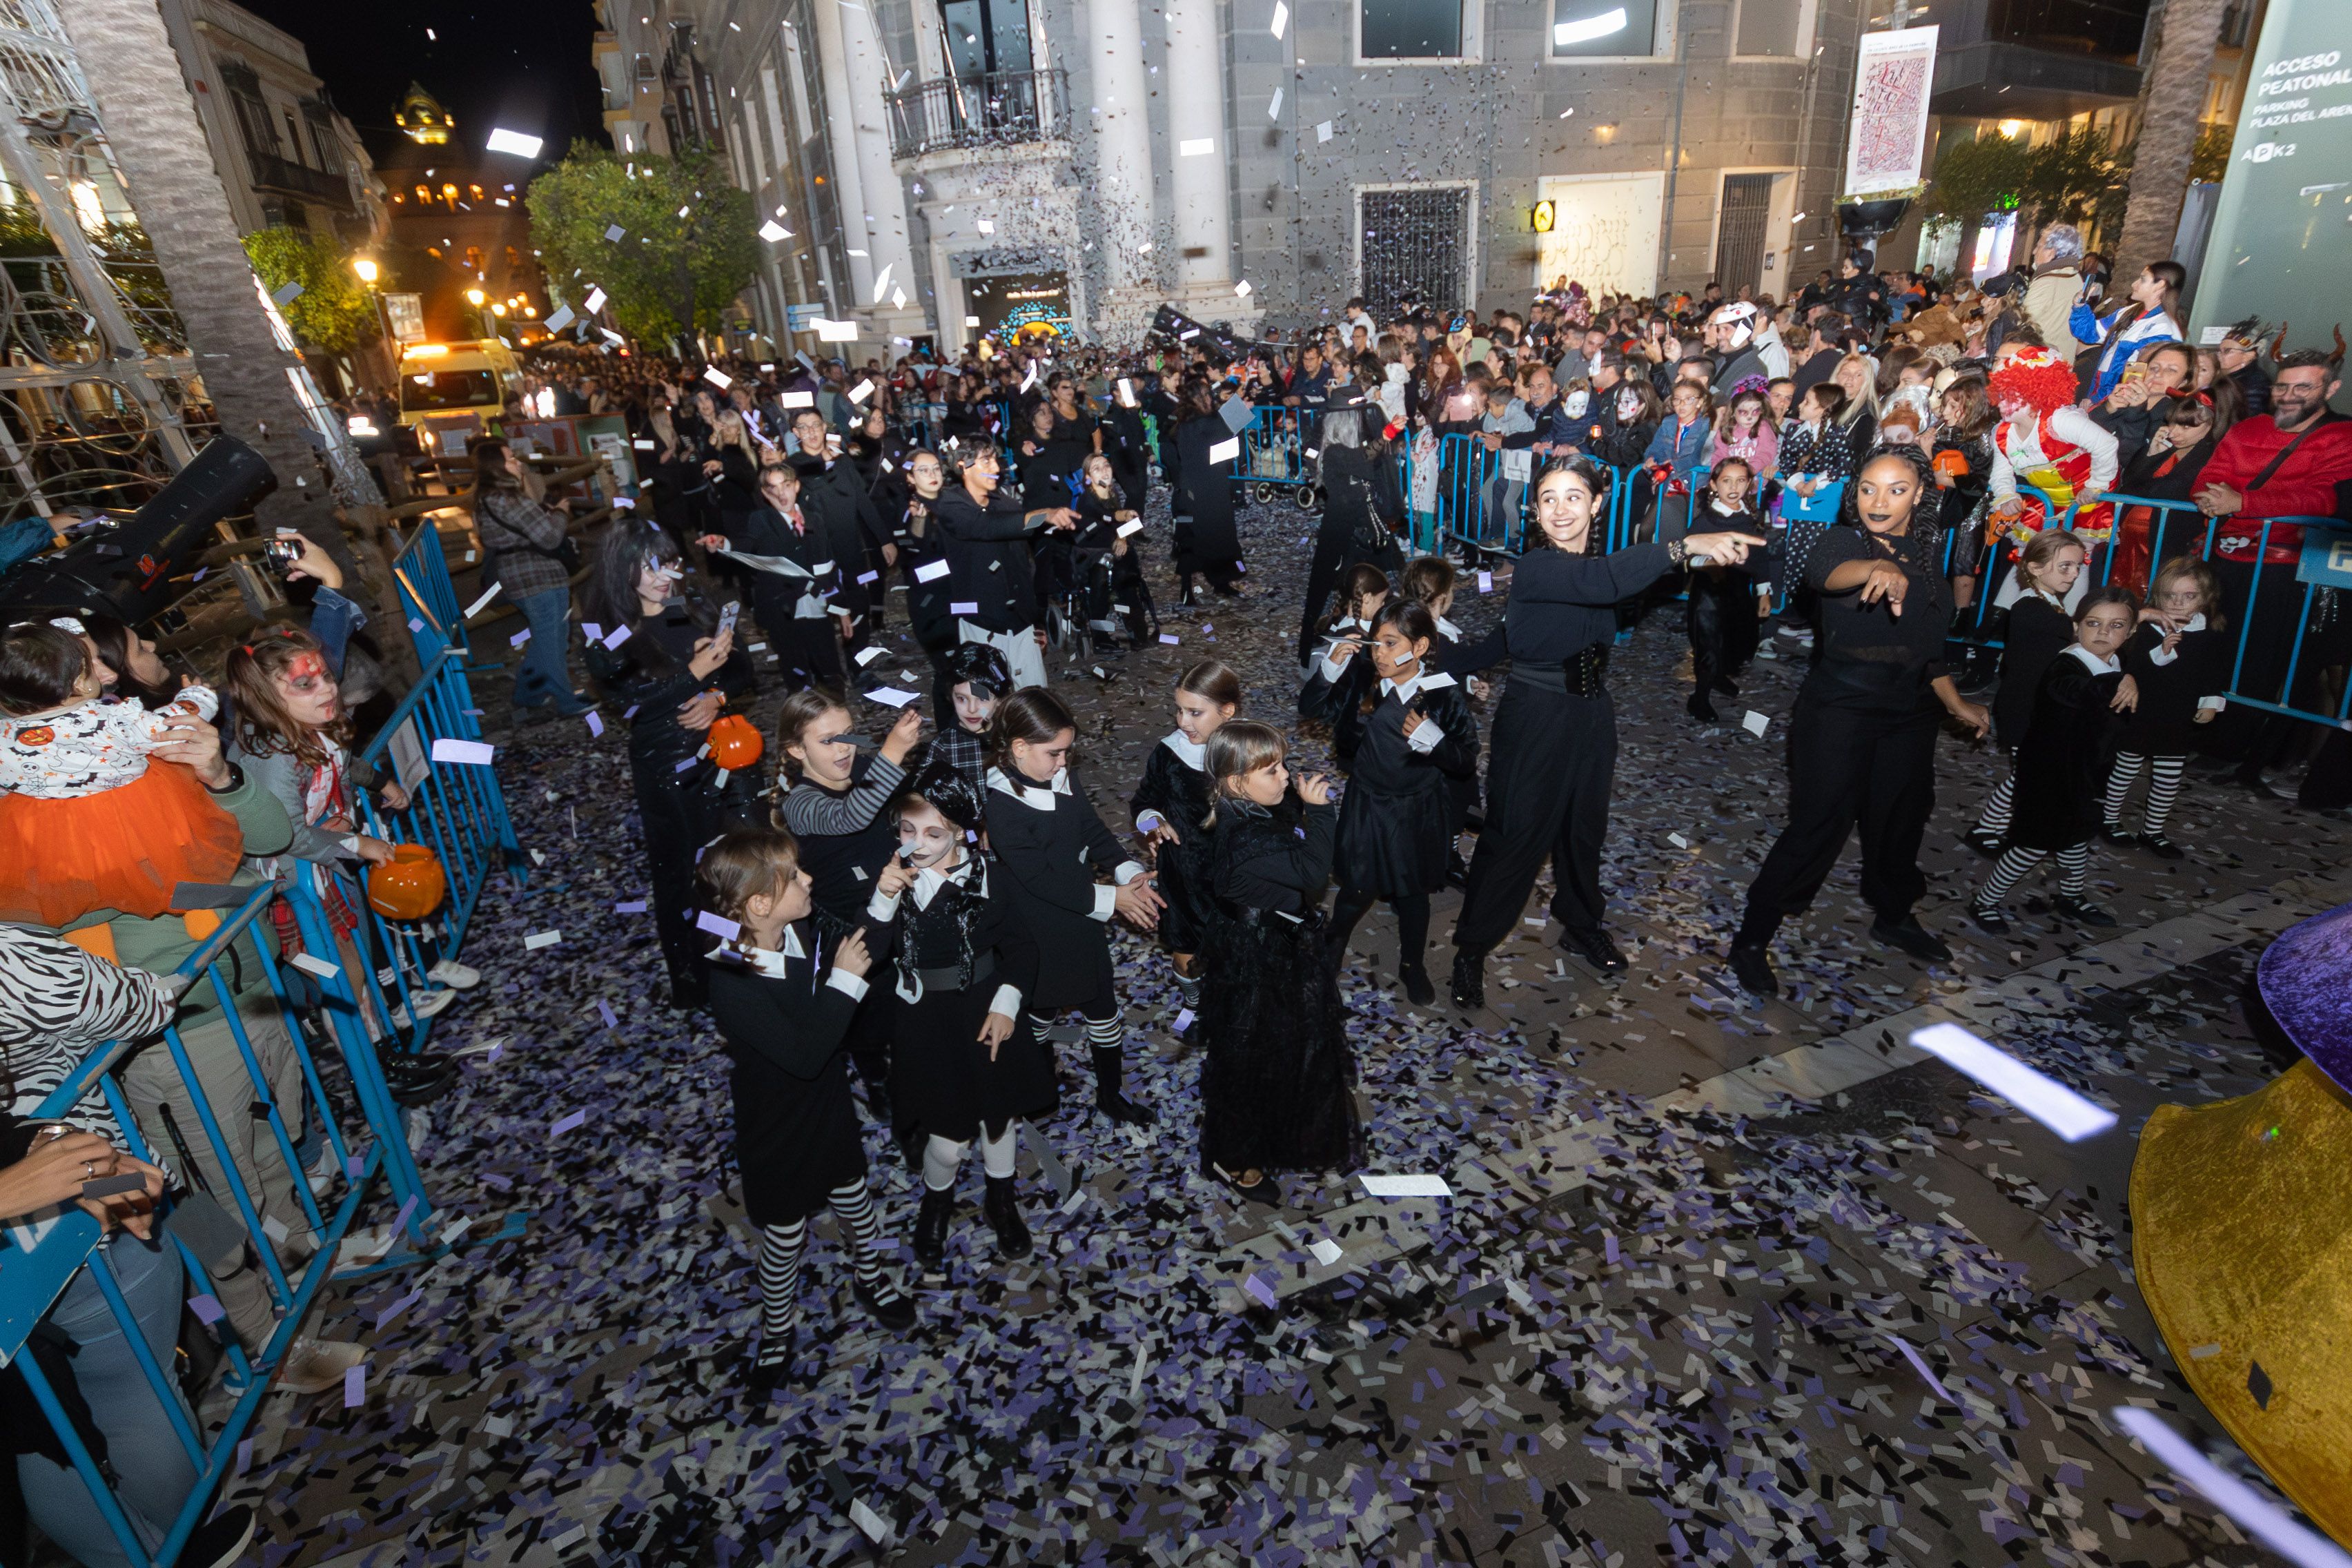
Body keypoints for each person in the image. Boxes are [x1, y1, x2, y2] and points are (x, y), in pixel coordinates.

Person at [1450, 458, 1764, 1006]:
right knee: (1514, 835)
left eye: (1574, 497)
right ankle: (1471, 949)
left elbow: (1516, 631)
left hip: (1593, 716)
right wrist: (1684, 544)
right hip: (1535, 717)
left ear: (1597, 505)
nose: (1560, 509)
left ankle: (1579, 922)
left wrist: (1459, 659)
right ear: (1536, 510)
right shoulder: (1536, 567)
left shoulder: (1589, 567)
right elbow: (1602, 583)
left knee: (1582, 830)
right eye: (1548, 498)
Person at [0, 928, 258, 1568]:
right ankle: (257, 1339)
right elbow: (139, 1002)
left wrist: (34, 1144)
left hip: (102, 1158)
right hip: (106, 1162)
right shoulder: (13, 947)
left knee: (46, 1426)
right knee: (111, 1394)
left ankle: (254, 1336)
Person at [1728, 451, 1992, 997]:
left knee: (1902, 821)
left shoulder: (1926, 559)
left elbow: (1924, 649)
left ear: (1919, 495)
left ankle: (1894, 915)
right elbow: (1827, 576)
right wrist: (1877, 567)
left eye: (1897, 490)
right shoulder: (1843, 542)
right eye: (1869, 488)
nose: (1879, 501)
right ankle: (1753, 937)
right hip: (1840, 710)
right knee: (1819, 824)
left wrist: (1955, 704)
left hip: (1910, 715)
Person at [695, 830, 912, 1398]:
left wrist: (885, 897)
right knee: (785, 1231)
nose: (808, 879)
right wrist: (843, 981)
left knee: (852, 1192)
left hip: (827, 1104)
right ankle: (776, 1327)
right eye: (793, 876)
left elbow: (864, 946)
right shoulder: (731, 977)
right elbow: (805, 1052)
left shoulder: (799, 930)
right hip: (776, 1122)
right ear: (760, 904)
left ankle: (870, 1276)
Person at [863, 764, 1054, 1273]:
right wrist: (883, 900)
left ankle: (1001, 1198)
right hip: (925, 1022)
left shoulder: (991, 875)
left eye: (933, 833)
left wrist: (1007, 1004)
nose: (917, 844)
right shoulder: (896, 881)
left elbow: (1023, 948)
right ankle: (937, 1197)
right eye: (907, 831)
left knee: (999, 1120)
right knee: (946, 1141)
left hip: (985, 1010)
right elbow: (871, 954)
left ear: (961, 832)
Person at [582, 521, 758, 1008]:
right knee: (686, 874)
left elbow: (745, 668)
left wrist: (718, 691)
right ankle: (698, 981)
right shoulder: (607, 633)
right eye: (649, 566)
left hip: (728, 752)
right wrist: (693, 675)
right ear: (623, 570)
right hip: (668, 766)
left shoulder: (695, 604)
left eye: (670, 561)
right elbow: (633, 704)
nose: (665, 575)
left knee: (746, 857)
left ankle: (753, 960)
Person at [984, 688, 1164, 1126]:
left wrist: (1125, 870)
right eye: (1056, 753)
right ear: (1019, 748)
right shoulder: (1001, 804)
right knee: (1041, 1010)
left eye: (1067, 752)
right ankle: (1041, 1085)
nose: (1064, 763)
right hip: (1039, 925)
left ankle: (1110, 1093)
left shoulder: (1058, 774)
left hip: (1081, 914)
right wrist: (1113, 900)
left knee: (1102, 1004)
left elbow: (1090, 828)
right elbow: (1039, 879)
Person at [1197, 721, 1356, 1204]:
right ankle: (1235, 1159)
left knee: (1273, 1055)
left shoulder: (1240, 811)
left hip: (1261, 945)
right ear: (1235, 783)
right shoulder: (1248, 840)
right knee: (1253, 1062)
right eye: (1272, 770)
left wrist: (1296, 803)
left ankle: (1265, 1131)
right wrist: (1320, 812)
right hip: (1261, 962)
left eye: (1283, 764)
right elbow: (1312, 872)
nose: (1285, 776)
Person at [0, 623, 242, 928]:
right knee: (173, 866)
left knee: (71, 897)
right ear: (82, 683)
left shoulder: (4, 738)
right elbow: (174, 724)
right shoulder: (112, 720)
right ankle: (198, 917)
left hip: (57, 842)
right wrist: (199, 696)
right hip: (133, 819)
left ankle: (91, 941)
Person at [2190, 348, 2352, 793]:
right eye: (2283, 385)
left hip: (2288, 571)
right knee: (2215, 653)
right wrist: (2213, 497)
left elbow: (2326, 501)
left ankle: (2238, 754)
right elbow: (2209, 477)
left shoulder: (2343, 436)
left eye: (2304, 387)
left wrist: (2246, 502)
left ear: (2330, 389)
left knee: (2263, 665)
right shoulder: (2249, 428)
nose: (2289, 395)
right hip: (2225, 560)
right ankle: (2204, 740)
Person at [1302, 599, 1478, 1006]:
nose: (1378, 653)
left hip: (1416, 809)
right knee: (1356, 890)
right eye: (1374, 643)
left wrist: (1437, 743)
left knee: (1414, 894)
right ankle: (1327, 958)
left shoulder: (1440, 693)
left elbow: (1466, 758)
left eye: (1389, 643)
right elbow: (1310, 709)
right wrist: (1330, 669)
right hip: (1368, 805)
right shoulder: (1364, 678)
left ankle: (1412, 965)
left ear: (1418, 648)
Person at [772, 687, 927, 1122]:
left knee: (910, 1000)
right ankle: (877, 1080)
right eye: (827, 741)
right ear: (795, 750)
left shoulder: (860, 764)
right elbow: (851, 816)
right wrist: (893, 752)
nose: (844, 748)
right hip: (848, 925)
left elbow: (903, 800)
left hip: (895, 901)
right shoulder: (800, 804)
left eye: (849, 735)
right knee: (868, 1013)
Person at [1968, 587, 2139, 931]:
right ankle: (1984, 901)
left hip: (2085, 772)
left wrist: (2126, 676)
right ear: (2076, 627)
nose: (2104, 632)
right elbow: (2072, 690)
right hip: (2049, 772)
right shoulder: (2067, 663)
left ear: (2131, 632)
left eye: (2116, 625)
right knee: (2032, 844)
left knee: (2077, 837)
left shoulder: (2114, 661)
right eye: (2093, 623)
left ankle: (2071, 896)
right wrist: (2121, 682)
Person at [1129, 660, 1241, 1010]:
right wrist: (1152, 823)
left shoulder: (1247, 752)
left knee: (1234, 954)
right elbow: (1143, 801)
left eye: (1195, 712)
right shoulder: (1169, 752)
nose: (1183, 722)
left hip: (1234, 876)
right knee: (1186, 954)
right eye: (1179, 711)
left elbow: (1280, 806)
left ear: (1227, 711)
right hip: (1183, 876)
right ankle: (1194, 1000)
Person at [2105, 557, 2230, 858]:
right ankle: (2107, 820)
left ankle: (2153, 830)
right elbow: (2133, 669)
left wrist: (2211, 702)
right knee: (2125, 769)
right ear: (2159, 596)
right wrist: (2162, 653)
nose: (2178, 603)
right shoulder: (2150, 630)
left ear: (2205, 599)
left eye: (2189, 597)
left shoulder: (2207, 632)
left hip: (2177, 716)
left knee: (2169, 777)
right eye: (2171, 596)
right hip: (2141, 711)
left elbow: (2212, 672)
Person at [932, 435, 1076, 692]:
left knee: (1034, 700)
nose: (996, 469)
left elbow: (1022, 564)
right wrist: (1045, 514)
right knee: (985, 702)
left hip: (1019, 624)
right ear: (963, 465)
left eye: (995, 461)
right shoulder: (950, 503)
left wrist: (1035, 621)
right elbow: (984, 527)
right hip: (980, 622)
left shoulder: (1006, 504)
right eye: (986, 461)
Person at [698, 461, 848, 692]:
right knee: (794, 664)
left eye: (786, 485)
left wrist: (841, 609)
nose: (781, 494)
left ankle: (835, 700)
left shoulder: (815, 519)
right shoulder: (761, 521)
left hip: (815, 602)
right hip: (781, 607)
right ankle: (800, 709)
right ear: (766, 494)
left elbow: (828, 566)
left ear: (796, 486)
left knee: (827, 659)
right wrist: (722, 544)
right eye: (773, 489)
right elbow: (746, 543)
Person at [472, 440, 591, 716]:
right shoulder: (507, 499)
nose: (518, 463)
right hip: (537, 578)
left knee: (545, 638)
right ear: (496, 467)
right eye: (511, 459)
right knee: (553, 642)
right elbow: (549, 537)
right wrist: (561, 513)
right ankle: (567, 701)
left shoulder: (486, 499)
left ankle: (528, 693)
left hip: (520, 577)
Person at [1986, 346, 2118, 591]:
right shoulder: (2001, 433)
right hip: (2047, 502)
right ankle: (2004, 613)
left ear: (2034, 395)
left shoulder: (2060, 420)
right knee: (2030, 557)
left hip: (2085, 502)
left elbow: (2107, 444)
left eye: (2012, 395)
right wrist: (2007, 497)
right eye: (2001, 394)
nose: (2001, 402)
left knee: (2076, 562)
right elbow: (2001, 474)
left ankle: (2071, 620)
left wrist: (2096, 486)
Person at [2110, 391, 2228, 596]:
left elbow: (2165, 491)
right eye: (2172, 424)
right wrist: (2151, 454)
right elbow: (2129, 484)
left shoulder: (2212, 457)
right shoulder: (2167, 448)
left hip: (2164, 546)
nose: (2174, 433)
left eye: (2186, 426)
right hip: (2131, 544)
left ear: (2211, 426)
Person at [1683, 457, 1768, 722]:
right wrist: (1709, 563)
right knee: (1709, 647)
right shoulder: (1705, 521)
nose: (1734, 487)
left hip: (1738, 592)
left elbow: (1758, 558)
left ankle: (1720, 676)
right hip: (1709, 595)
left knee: (1735, 642)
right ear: (1714, 485)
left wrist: (1764, 591)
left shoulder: (1749, 518)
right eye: (1726, 481)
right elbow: (1688, 557)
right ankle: (1699, 698)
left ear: (1749, 485)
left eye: (1741, 481)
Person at [1170, 385, 1246, 600]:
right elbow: (1216, 438)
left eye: (1207, 394)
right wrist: (1236, 410)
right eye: (1201, 395)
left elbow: (1222, 438)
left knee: (1221, 535)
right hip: (1196, 489)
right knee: (1194, 538)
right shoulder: (1190, 424)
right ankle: (1187, 590)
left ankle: (1221, 582)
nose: (1207, 400)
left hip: (1215, 485)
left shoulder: (1206, 420)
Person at [2072, 262, 2186, 403]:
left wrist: (2099, 402)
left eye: (2143, 279)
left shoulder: (2164, 329)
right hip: (2100, 394)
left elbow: (2136, 379)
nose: (2134, 284)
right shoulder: (2128, 312)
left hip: (2119, 402)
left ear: (2160, 285)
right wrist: (2080, 307)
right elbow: (2090, 333)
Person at [912, 642, 1009, 796]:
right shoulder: (943, 747)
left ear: (999, 701)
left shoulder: (1013, 738)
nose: (971, 710)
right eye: (962, 699)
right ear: (951, 696)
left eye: (982, 700)